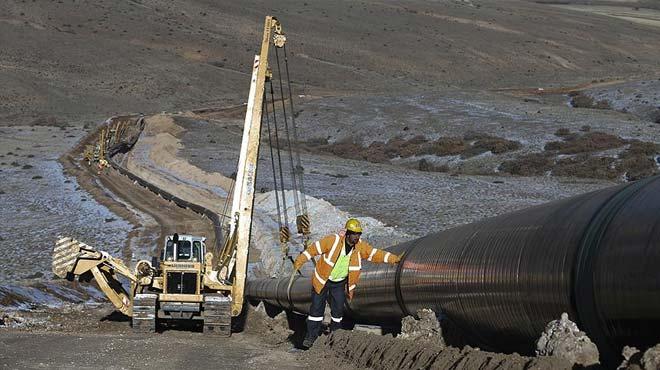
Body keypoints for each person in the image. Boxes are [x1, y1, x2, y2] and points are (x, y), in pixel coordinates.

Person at [293, 218, 402, 349]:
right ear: (347, 233)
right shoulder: (332, 241)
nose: (357, 237)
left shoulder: (360, 247)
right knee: (316, 310)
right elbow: (313, 249)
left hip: (339, 283)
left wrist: (394, 259)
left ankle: (334, 337)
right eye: (354, 234)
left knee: (338, 311)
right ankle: (310, 338)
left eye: (359, 234)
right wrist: (299, 261)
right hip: (323, 280)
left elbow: (375, 254)